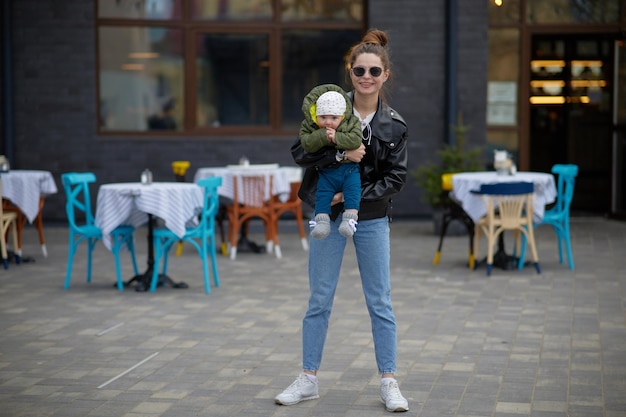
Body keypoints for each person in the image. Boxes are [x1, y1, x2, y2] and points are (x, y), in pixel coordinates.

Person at [275, 28, 409, 412]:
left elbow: (395, 179)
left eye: (373, 71)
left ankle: (389, 381)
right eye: (359, 70)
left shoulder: (394, 125)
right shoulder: (328, 108)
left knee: (380, 301)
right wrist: (336, 147)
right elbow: (300, 152)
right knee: (319, 298)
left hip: (370, 219)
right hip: (325, 218)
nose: (366, 77)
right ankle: (308, 379)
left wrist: (352, 197)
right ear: (350, 73)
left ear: (385, 75)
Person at [299, 84, 363, 239]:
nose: (328, 122)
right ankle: (321, 222)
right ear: (316, 116)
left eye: (334, 118)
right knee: (322, 195)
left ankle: (349, 220)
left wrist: (337, 138)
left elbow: (356, 140)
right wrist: (322, 135)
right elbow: (306, 143)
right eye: (323, 117)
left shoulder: (351, 122)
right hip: (327, 172)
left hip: (349, 171)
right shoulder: (311, 127)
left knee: (353, 193)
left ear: (342, 116)